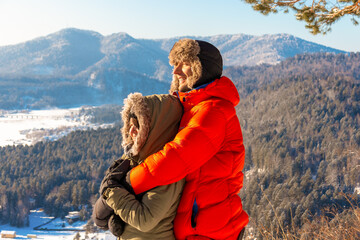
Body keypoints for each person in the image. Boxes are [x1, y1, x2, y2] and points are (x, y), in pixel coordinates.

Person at [125, 38, 249, 239]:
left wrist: (126, 183)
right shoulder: (192, 107)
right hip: (203, 225)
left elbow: (175, 158)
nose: (176, 71)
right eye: (175, 65)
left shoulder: (213, 111)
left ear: (202, 69)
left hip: (210, 230)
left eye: (185, 64)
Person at [92, 93, 185, 240]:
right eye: (130, 126)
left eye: (138, 126)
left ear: (155, 129)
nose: (131, 132)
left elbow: (145, 220)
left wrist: (111, 193)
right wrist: (115, 213)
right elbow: (108, 202)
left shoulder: (168, 167)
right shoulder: (134, 160)